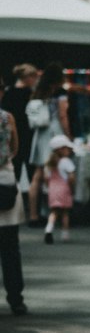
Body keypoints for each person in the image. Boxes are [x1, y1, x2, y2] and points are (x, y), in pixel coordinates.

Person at [26, 63, 70, 224]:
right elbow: (63, 115)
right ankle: (55, 211)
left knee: (37, 175)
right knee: (56, 174)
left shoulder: (38, 91)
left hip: (40, 135)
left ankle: (33, 214)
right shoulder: (60, 93)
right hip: (54, 133)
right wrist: (68, 137)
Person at [0, 104, 27, 314]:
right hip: (5, 181)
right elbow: (15, 149)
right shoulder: (7, 118)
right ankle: (15, 298)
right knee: (10, 247)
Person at [1, 63, 40, 187]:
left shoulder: (8, 92)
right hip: (27, 134)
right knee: (31, 170)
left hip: (12, 133)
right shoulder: (31, 94)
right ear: (27, 77)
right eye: (34, 77)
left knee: (14, 168)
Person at [43, 138, 76, 244]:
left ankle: (48, 229)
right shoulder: (66, 162)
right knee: (65, 212)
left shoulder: (49, 163)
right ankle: (65, 234)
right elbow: (71, 177)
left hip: (53, 190)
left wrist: (49, 187)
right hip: (64, 189)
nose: (69, 151)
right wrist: (72, 187)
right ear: (61, 149)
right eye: (67, 148)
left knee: (54, 212)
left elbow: (46, 178)